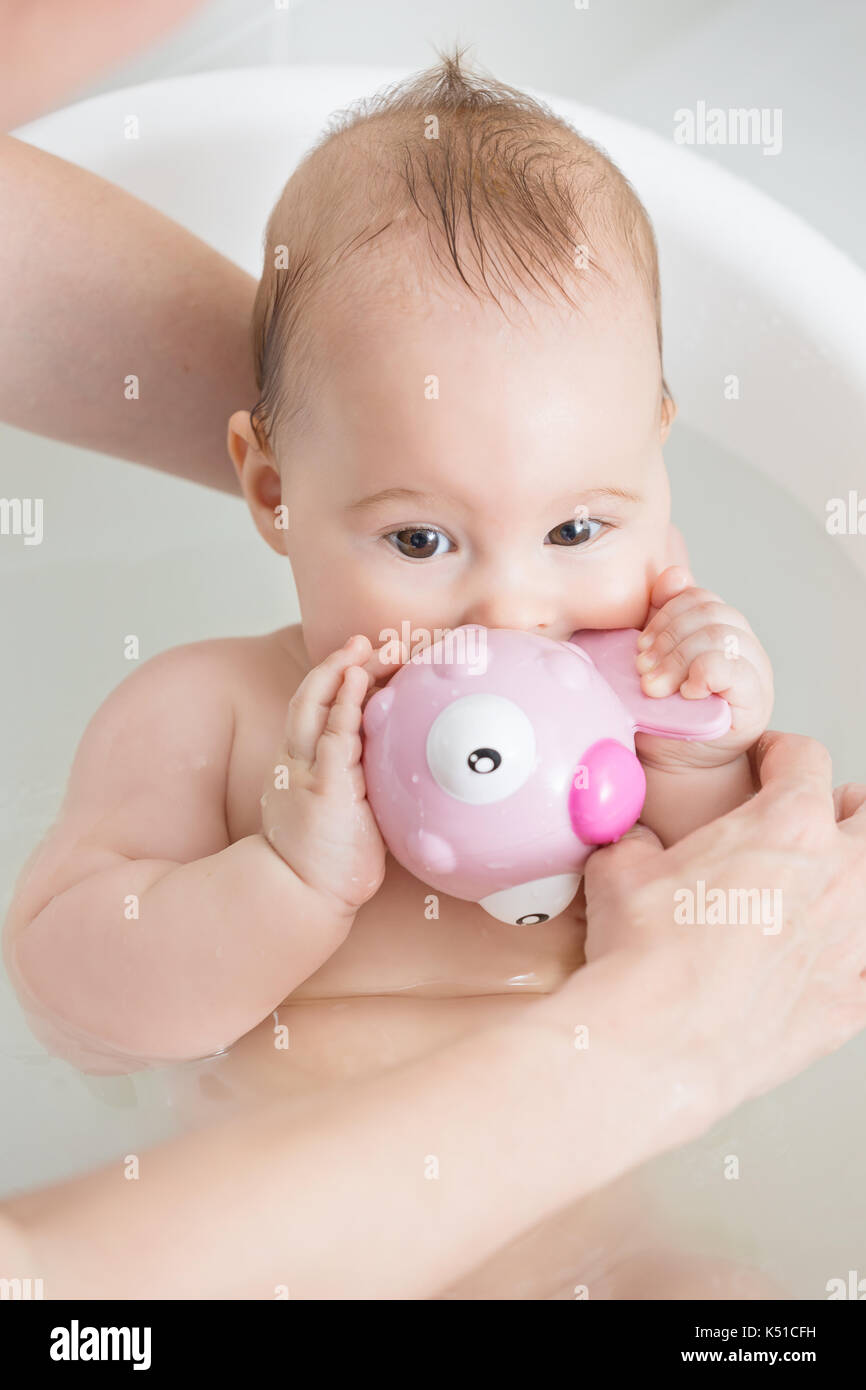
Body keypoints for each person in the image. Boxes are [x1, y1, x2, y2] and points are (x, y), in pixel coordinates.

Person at [1, 730, 865, 1298]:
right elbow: (75, 1007)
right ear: (274, 499)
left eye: (577, 531)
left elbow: (734, 892)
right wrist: (285, 882)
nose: (512, 597)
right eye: (419, 542)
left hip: (611, 1264)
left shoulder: (616, 725)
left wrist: (699, 755)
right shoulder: (220, 705)